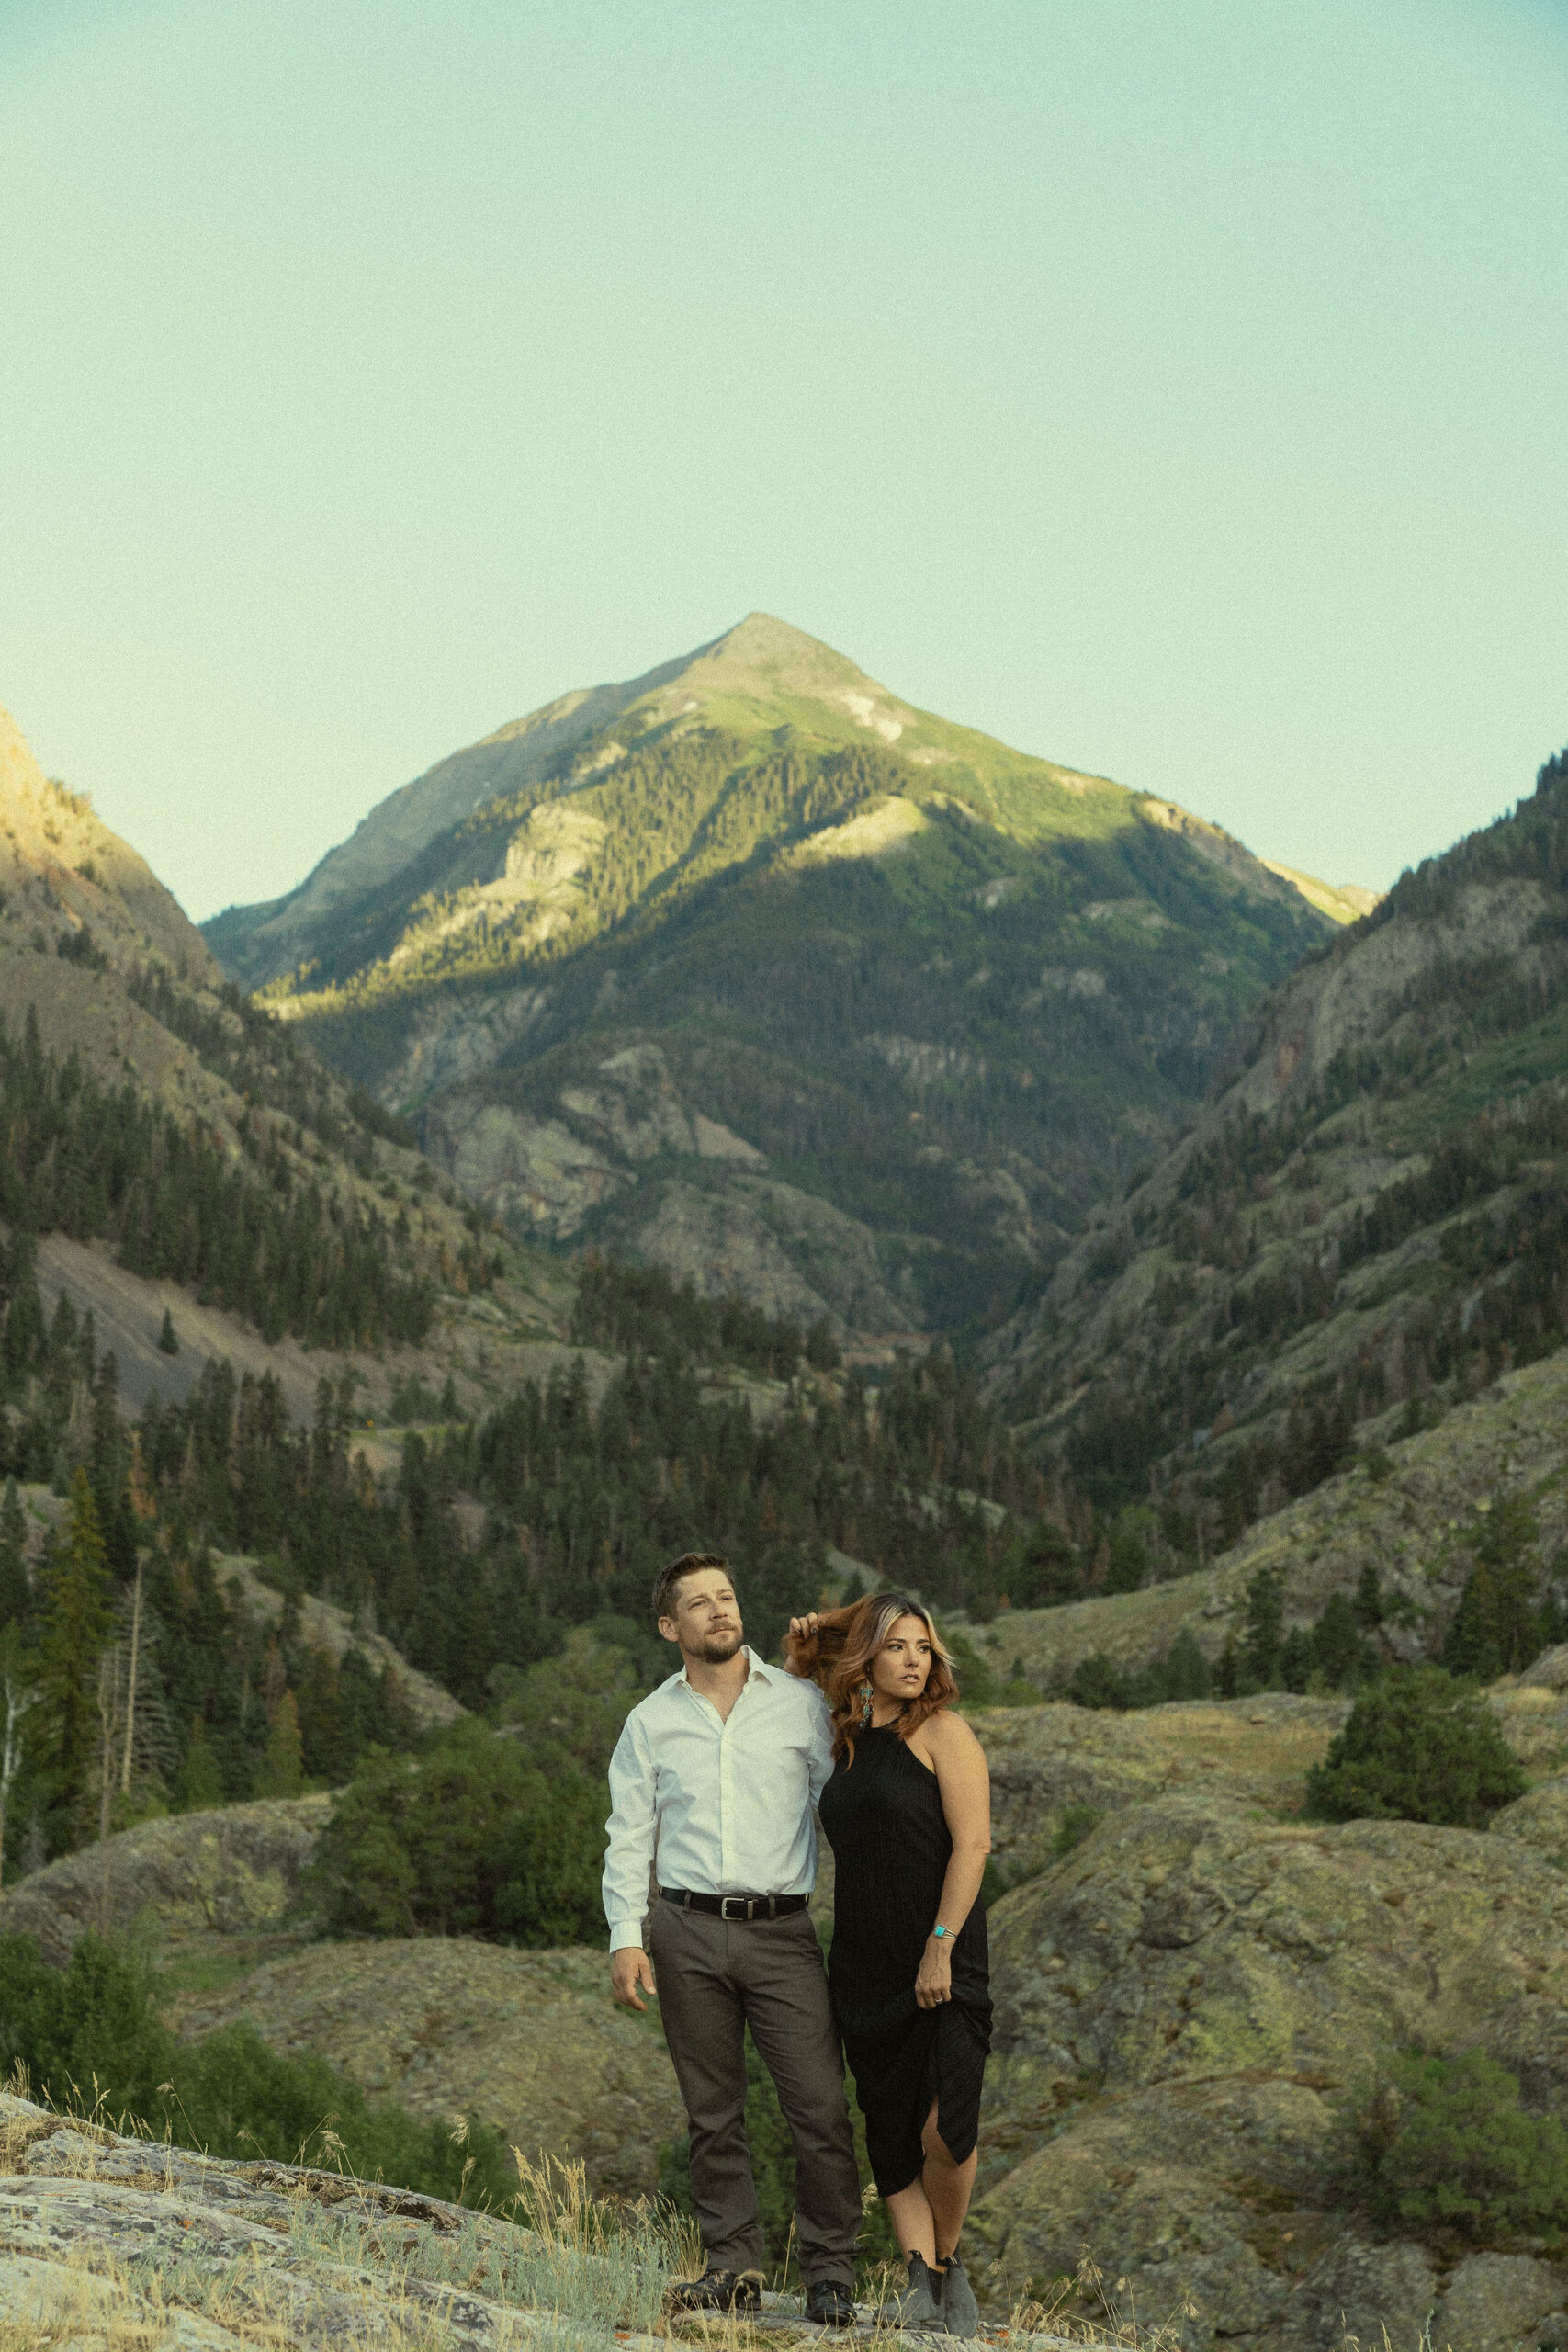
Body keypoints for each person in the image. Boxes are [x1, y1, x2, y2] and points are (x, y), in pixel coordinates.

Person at [603, 1552, 862, 2325]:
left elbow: (844, 1808)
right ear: (668, 1627)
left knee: (817, 2106)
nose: (718, 1610)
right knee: (711, 2112)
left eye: (726, 1596)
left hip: (782, 1934)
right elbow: (628, 1834)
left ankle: (831, 2275)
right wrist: (625, 1935)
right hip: (681, 1931)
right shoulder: (649, 1721)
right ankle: (732, 2268)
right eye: (697, 1603)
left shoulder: (799, 1705)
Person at [786, 1595, 992, 2338]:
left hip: (942, 1957)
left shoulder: (944, 1732)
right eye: (897, 1645)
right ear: (866, 1659)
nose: (914, 1659)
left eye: (924, 1648)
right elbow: (801, 1654)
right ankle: (918, 2278)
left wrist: (940, 1943)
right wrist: (826, 1628)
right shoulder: (840, 1738)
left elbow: (972, 1846)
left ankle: (947, 2260)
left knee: (948, 2127)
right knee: (890, 2129)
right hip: (864, 1965)